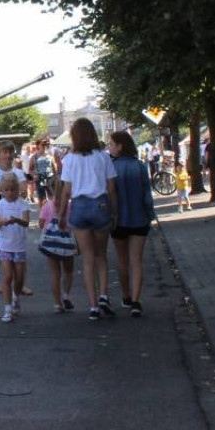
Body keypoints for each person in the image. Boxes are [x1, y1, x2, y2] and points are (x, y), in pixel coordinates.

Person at [56, 117, 118, 322]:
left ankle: (92, 306)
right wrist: (114, 212)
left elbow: (66, 191)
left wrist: (62, 214)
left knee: (87, 258)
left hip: (79, 207)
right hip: (100, 205)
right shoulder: (103, 157)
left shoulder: (69, 159)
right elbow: (111, 188)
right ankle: (103, 296)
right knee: (101, 255)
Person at [108, 130, 156, 317]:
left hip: (119, 219)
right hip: (139, 218)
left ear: (120, 146)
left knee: (122, 260)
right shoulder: (139, 166)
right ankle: (136, 300)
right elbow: (147, 196)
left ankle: (125, 295)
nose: (109, 147)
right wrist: (150, 215)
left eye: (112, 144)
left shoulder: (112, 168)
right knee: (136, 260)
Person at [0, 140, 29, 294]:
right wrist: (11, 188)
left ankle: (21, 284)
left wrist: (5, 188)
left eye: (9, 152)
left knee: (20, 249)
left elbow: (24, 190)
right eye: (4, 152)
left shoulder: (17, 171)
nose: (7, 155)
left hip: (17, 212)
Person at [0, 172, 31, 323]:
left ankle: (16, 296)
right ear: (2, 191)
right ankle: (7, 308)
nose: (10, 193)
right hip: (4, 245)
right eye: (6, 190)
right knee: (7, 276)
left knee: (19, 278)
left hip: (19, 246)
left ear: (17, 189)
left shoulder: (23, 203)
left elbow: (26, 222)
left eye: (12, 190)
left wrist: (16, 220)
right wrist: (2, 222)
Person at [38, 182, 75, 313]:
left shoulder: (47, 206)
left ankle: (57, 303)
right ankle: (66, 295)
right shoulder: (71, 206)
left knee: (55, 274)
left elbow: (41, 223)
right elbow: (75, 224)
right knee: (68, 271)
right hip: (67, 243)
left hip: (51, 243)